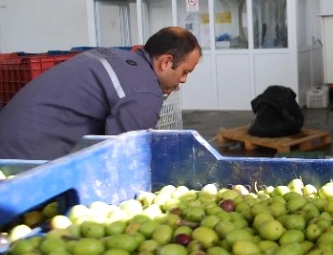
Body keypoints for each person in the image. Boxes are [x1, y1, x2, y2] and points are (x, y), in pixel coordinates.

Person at [0, 27, 201, 160]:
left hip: (11, 135)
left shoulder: (115, 56)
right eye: (185, 72)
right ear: (166, 62)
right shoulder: (144, 91)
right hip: (24, 157)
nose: (184, 80)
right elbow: (120, 156)